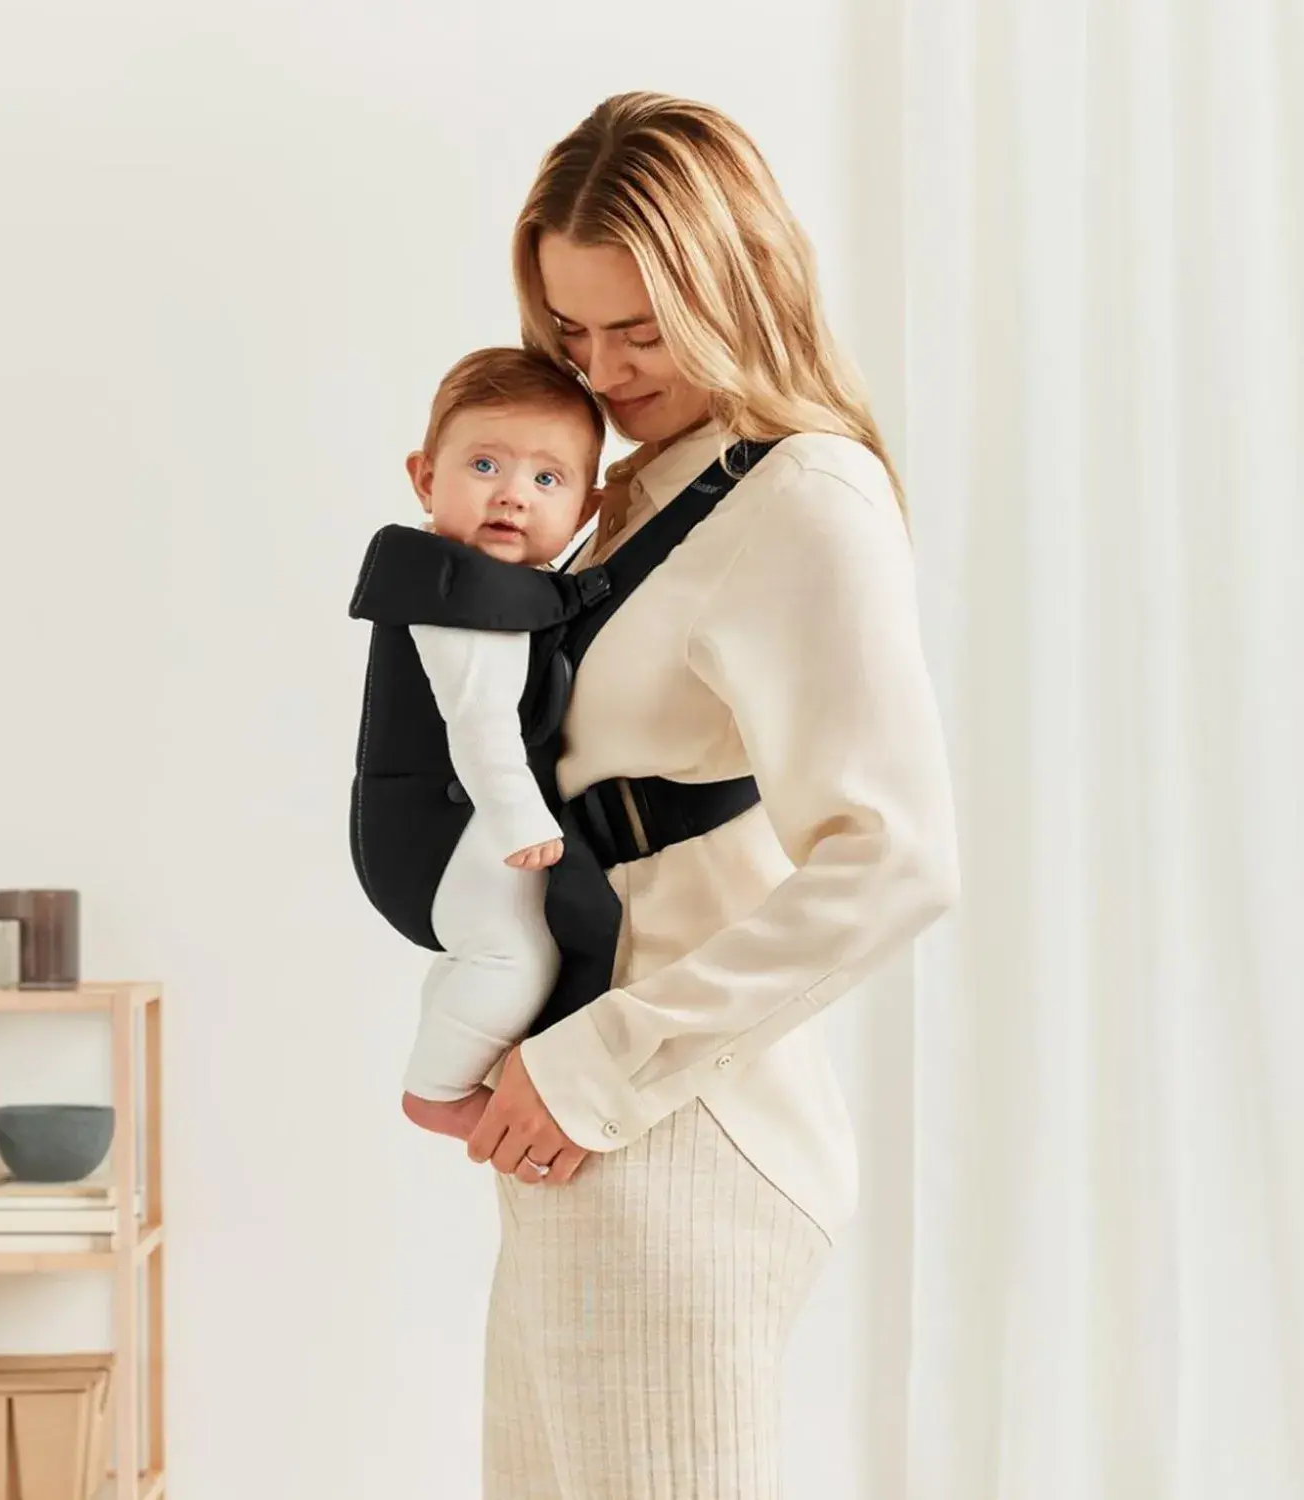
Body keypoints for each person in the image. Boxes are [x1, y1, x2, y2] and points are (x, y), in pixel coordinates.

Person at [459, 92, 961, 1497]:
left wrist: (598, 1068)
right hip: (583, 1120)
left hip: (662, 1132)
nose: (602, 371)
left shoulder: (804, 495)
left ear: (735, 287)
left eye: (641, 330)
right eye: (572, 330)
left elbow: (898, 858)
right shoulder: (642, 489)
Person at [383, 348, 605, 1141]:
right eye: (485, 465)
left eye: (547, 478)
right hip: (463, 830)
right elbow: (478, 723)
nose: (513, 493)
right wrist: (521, 820)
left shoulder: (494, 590)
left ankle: (452, 1056)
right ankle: (437, 1092)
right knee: (515, 956)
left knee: (479, 952)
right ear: (425, 478)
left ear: (586, 509)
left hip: (462, 830)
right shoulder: (460, 601)